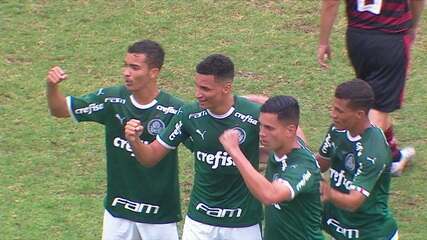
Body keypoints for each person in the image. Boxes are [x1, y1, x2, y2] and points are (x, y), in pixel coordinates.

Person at [47, 40, 184, 240]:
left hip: (158, 215)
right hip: (118, 213)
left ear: (153, 72)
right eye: (125, 65)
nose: (126, 72)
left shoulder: (174, 110)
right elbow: (59, 110)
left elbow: (203, 136)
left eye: (134, 67)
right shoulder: (111, 100)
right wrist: (51, 86)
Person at [125, 54, 263, 240]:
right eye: (197, 86)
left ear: (226, 88)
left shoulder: (253, 116)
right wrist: (135, 141)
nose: (198, 94)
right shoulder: (189, 114)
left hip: (243, 223)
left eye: (205, 88)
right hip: (200, 222)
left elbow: (289, 141)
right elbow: (150, 157)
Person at [317, 0, 425, 176]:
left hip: (357, 37)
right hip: (390, 38)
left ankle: (393, 157)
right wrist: (412, 26)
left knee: (373, 97)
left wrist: (323, 41)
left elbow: (331, 3)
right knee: (379, 109)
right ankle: (353, 165)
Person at [219, 96, 324, 240]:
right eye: (261, 125)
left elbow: (270, 195)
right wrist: (237, 100)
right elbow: (296, 128)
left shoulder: (302, 167)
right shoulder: (285, 144)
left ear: (289, 130)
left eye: (269, 128)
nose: (262, 133)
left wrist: (234, 151)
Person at [317, 79, 398, 239]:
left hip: (372, 234)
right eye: (333, 108)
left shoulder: (374, 150)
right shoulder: (337, 130)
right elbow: (321, 163)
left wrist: (329, 193)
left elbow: (354, 202)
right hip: (339, 227)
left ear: (359, 114)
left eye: (339, 111)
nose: (333, 114)